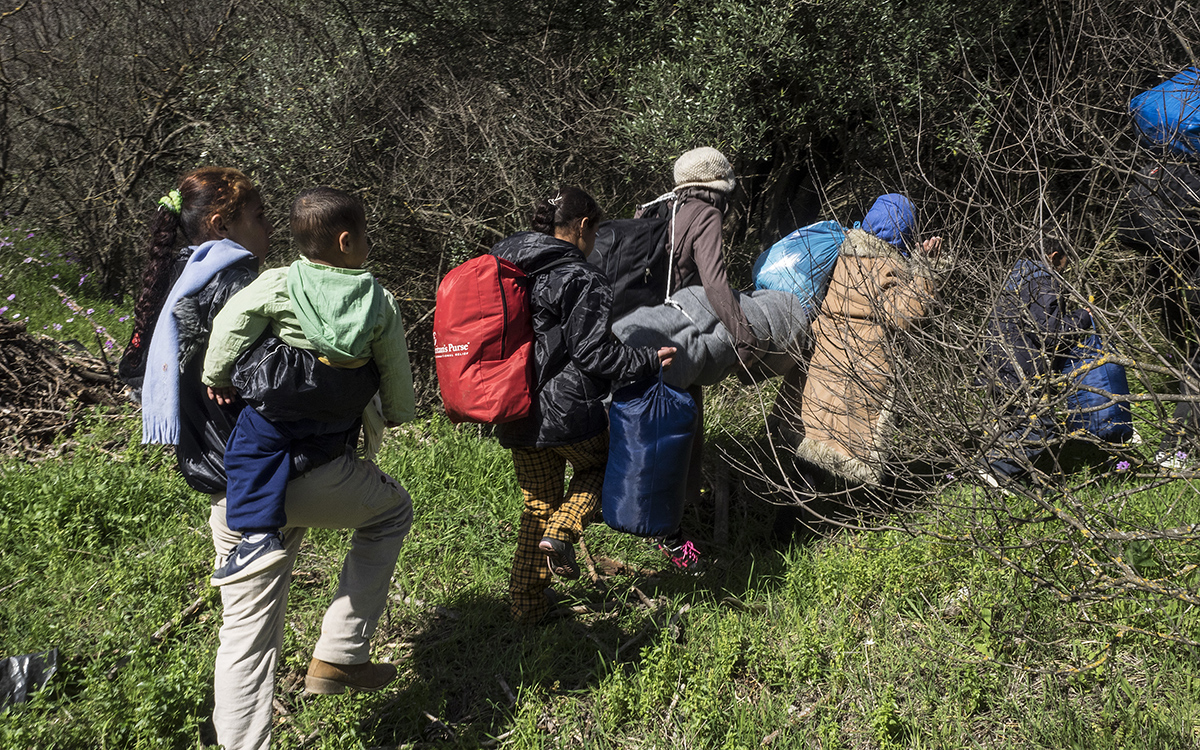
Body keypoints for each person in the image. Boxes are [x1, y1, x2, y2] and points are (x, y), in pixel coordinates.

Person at [136, 167, 412, 750]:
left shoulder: (178, 287)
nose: (268, 228)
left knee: (245, 635)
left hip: (227, 486)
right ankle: (340, 655)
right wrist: (363, 375)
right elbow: (290, 388)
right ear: (223, 223)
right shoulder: (244, 284)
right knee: (390, 513)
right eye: (258, 217)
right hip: (293, 469)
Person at [200, 187, 414, 586]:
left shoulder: (280, 282)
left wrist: (216, 374)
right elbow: (394, 363)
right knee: (325, 449)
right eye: (367, 236)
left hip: (283, 406)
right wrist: (399, 411)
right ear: (346, 242)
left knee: (248, 447)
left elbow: (233, 323)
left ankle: (258, 537)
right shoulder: (380, 300)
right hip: (338, 414)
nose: (369, 244)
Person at [490, 186, 675, 624]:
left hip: (515, 409)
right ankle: (563, 532)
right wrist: (647, 360)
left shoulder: (509, 268)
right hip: (567, 414)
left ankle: (526, 606)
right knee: (603, 466)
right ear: (584, 226)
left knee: (536, 506)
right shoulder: (580, 276)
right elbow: (595, 354)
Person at [635, 146, 762, 568]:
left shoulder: (657, 210)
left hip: (638, 331)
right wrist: (743, 337)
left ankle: (646, 519)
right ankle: (679, 544)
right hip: (678, 337)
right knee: (684, 430)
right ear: (716, 188)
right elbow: (715, 283)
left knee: (649, 430)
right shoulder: (704, 214)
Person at [792, 193, 947, 486]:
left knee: (813, 435)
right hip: (860, 368)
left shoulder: (840, 253)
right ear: (905, 231)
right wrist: (926, 270)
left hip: (824, 358)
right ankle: (850, 513)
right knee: (843, 443)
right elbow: (905, 315)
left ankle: (793, 513)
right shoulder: (887, 268)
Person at [978, 233, 1092, 483]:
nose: (1065, 270)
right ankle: (995, 470)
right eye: (1064, 264)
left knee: (1014, 423)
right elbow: (1049, 334)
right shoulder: (1043, 280)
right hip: (1021, 366)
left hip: (997, 361)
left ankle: (1005, 476)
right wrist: (1082, 317)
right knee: (1042, 427)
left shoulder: (1017, 274)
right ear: (1053, 257)